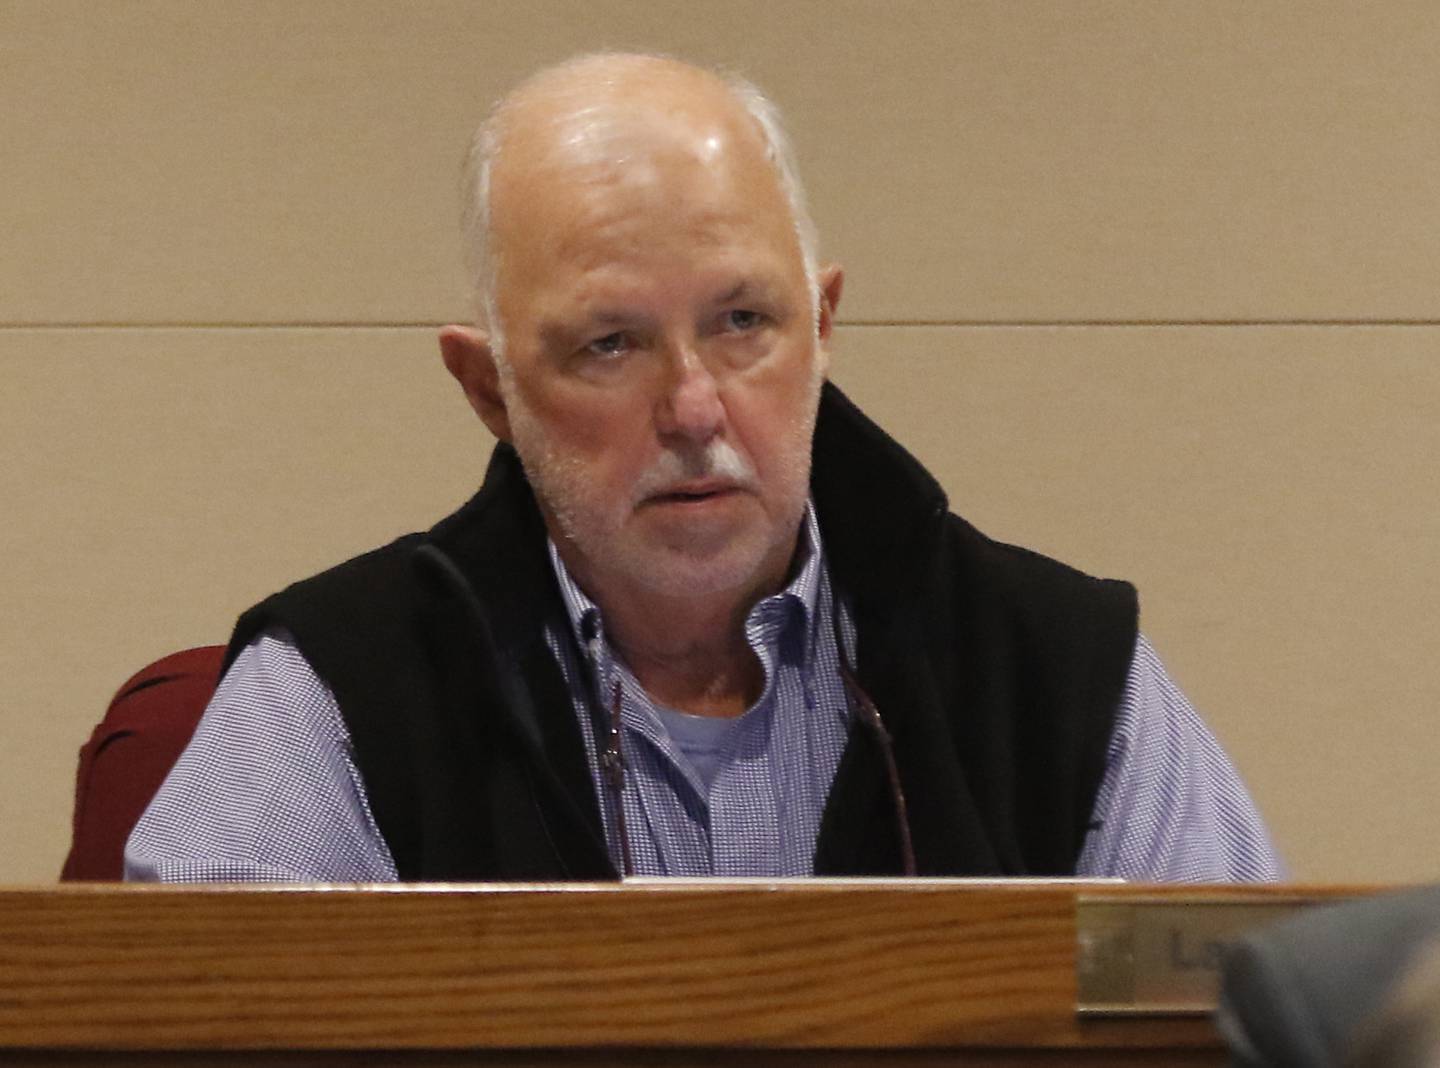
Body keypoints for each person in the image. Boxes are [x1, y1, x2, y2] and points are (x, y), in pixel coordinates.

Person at [125, 53, 1281, 883]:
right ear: (489, 391)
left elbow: (1238, 1023)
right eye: (609, 344)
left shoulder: (1062, 670)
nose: (693, 408)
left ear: (822, 325)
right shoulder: (335, 689)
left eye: (742, 321)